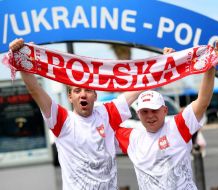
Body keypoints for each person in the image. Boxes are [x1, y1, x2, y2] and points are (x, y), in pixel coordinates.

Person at [9, 38, 142, 190]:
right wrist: (21, 60)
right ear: (70, 97)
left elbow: (136, 90)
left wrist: (167, 64)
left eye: (88, 90)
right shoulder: (61, 120)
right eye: (77, 91)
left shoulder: (106, 113)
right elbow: (35, 90)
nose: (83, 95)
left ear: (95, 96)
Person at [111, 42, 218, 189]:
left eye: (154, 110)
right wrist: (159, 68)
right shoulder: (131, 138)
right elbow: (106, 118)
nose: (150, 116)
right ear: (138, 114)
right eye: (145, 111)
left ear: (164, 110)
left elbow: (202, 101)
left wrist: (211, 66)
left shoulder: (178, 126)